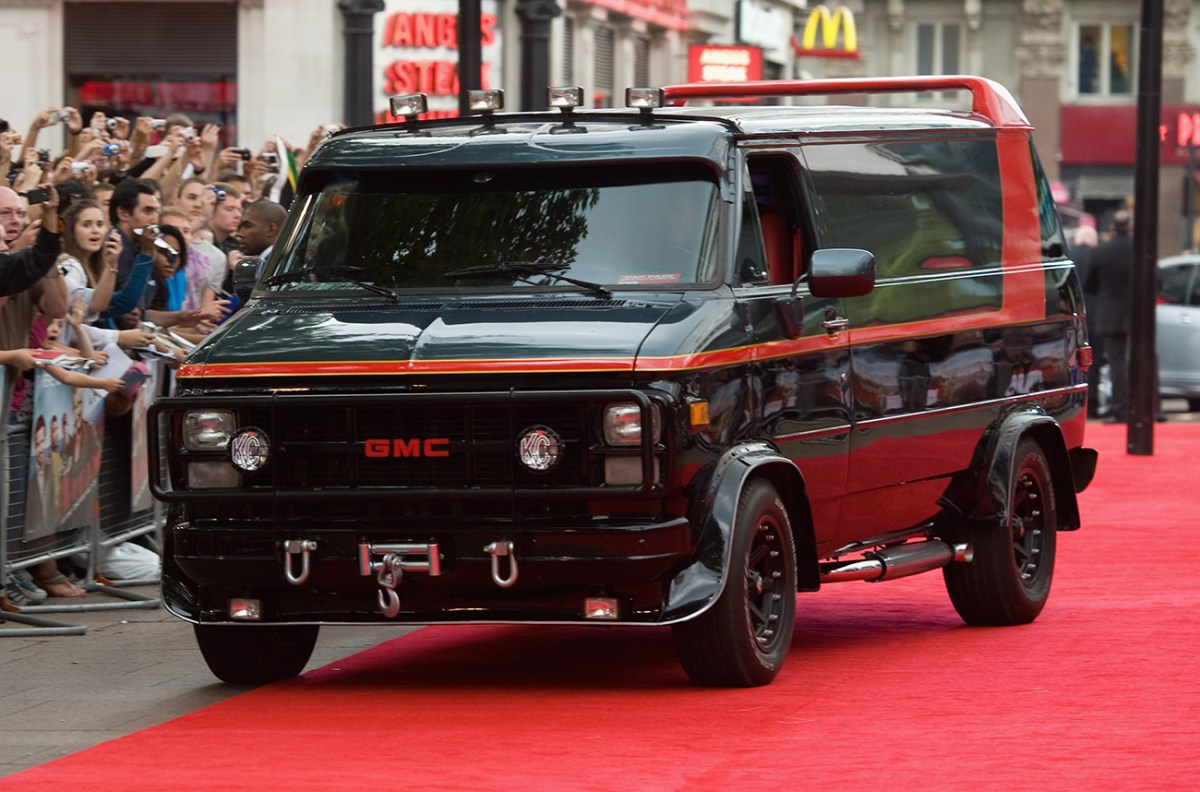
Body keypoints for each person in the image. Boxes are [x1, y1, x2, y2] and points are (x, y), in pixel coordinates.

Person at [1087, 210, 1134, 423]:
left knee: (1116, 362)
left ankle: (1120, 408)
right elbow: (1157, 281)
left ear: (1113, 227)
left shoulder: (1102, 251)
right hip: (1138, 313)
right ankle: (1149, 407)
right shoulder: (1140, 249)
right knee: (1143, 360)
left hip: (1110, 313)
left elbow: (1090, 283)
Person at [1071, 224, 1102, 417]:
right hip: (1094, 314)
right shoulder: (1096, 255)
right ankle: (1093, 405)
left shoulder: (1068, 254)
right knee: (1093, 361)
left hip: (1072, 313)